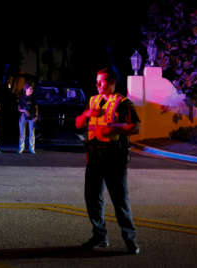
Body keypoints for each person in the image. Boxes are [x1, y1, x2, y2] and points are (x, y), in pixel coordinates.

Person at [75, 67, 140, 255]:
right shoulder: (93, 100)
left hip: (114, 157)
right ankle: (100, 236)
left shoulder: (123, 103)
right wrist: (86, 115)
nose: (97, 85)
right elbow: (79, 123)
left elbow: (135, 127)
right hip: (94, 157)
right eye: (96, 81)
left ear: (112, 82)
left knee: (120, 200)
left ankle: (130, 240)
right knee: (93, 198)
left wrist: (114, 129)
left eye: (101, 81)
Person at [18, 83, 38, 154]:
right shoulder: (22, 98)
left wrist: (36, 116)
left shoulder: (33, 98)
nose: (31, 90)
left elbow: (36, 107)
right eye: (30, 89)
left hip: (32, 116)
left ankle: (32, 148)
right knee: (22, 133)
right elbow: (19, 108)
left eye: (32, 89)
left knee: (31, 133)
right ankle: (21, 148)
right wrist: (24, 110)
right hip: (23, 116)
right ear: (26, 89)